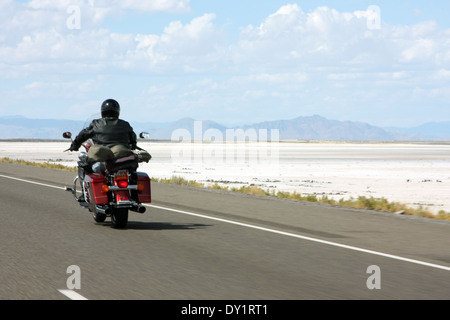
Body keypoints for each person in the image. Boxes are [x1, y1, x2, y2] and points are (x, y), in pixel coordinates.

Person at [69, 99, 138, 154]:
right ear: (117, 112)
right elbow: (132, 136)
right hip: (122, 155)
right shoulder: (125, 124)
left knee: (85, 163)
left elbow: (83, 134)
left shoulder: (96, 124)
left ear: (102, 112)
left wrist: (75, 144)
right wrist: (133, 144)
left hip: (102, 155)